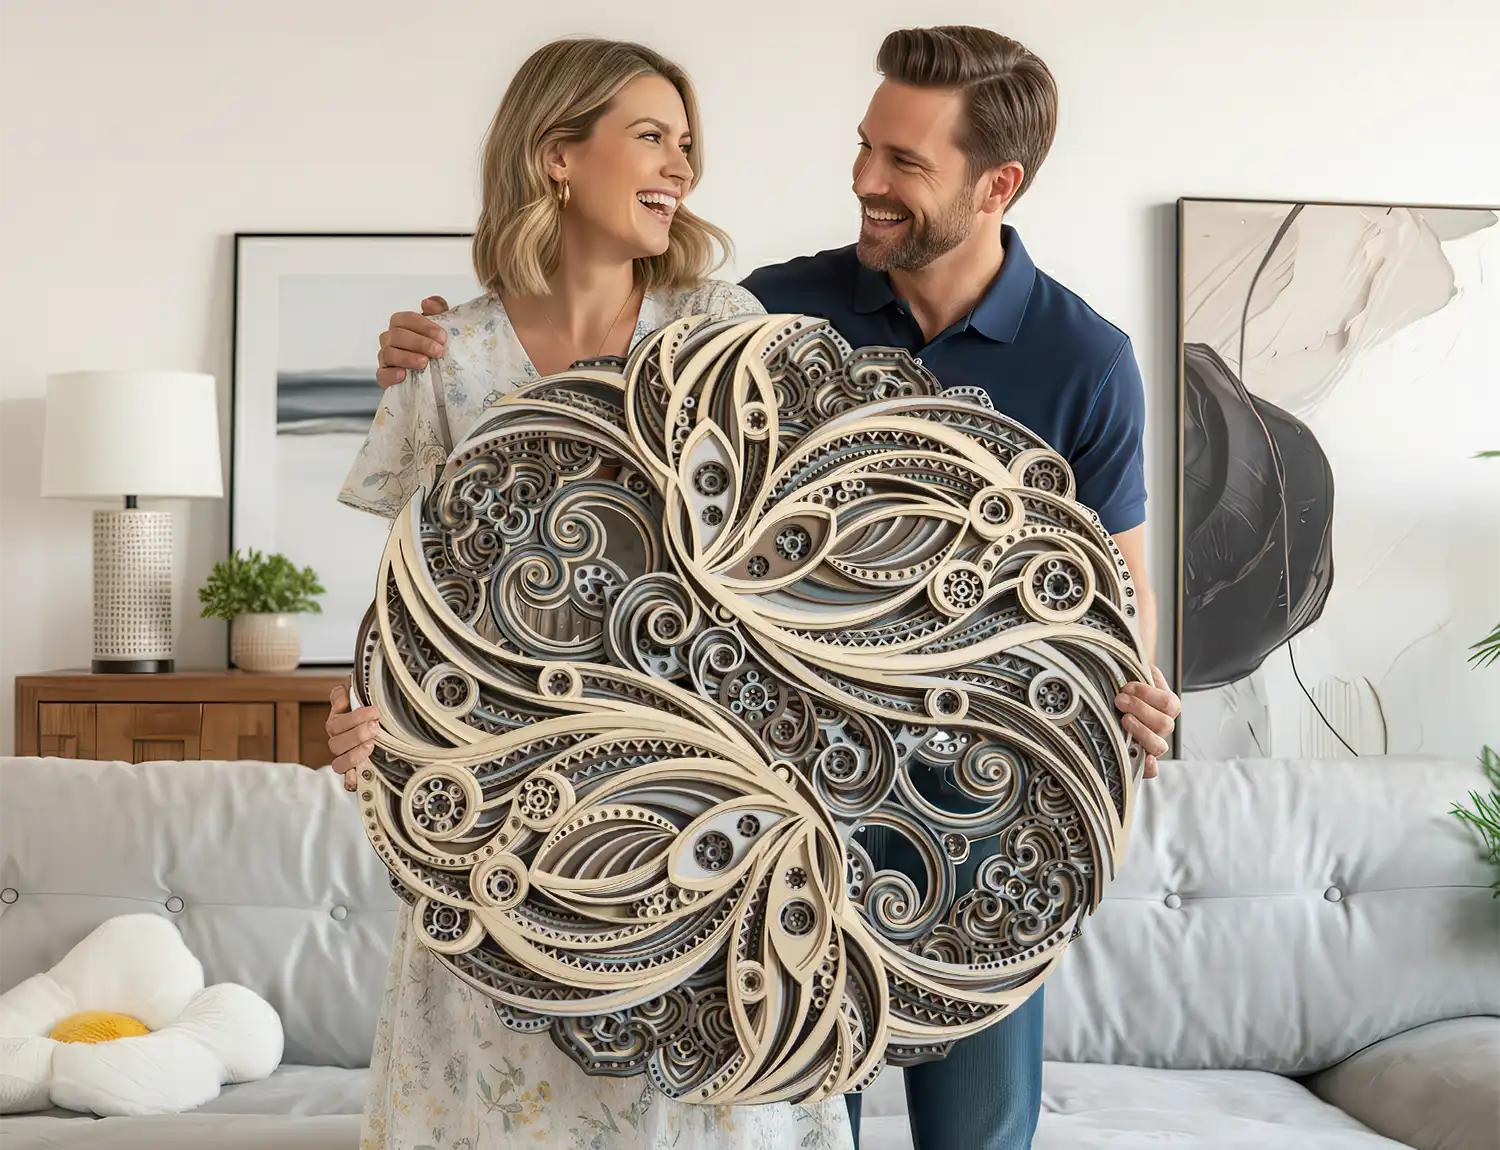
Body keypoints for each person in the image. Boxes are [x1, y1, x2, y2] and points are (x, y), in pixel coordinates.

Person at [340, 25, 1182, 1150]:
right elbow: (442, 588)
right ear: (554, 153)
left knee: (978, 1128)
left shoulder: (1083, 357)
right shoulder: (771, 312)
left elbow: (1111, 597)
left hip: (973, 796)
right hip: (740, 776)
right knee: (744, 1056)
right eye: (865, 147)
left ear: (998, 185)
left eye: (903, 163)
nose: (865, 182)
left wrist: (1142, 696)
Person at [332, 36, 853, 1150]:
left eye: (687, 142)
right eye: (652, 136)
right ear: (557, 154)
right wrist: (363, 719)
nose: (682, 166)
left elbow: (808, 572)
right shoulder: (445, 358)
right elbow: (411, 613)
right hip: (493, 824)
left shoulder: (725, 331)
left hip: (695, 803)